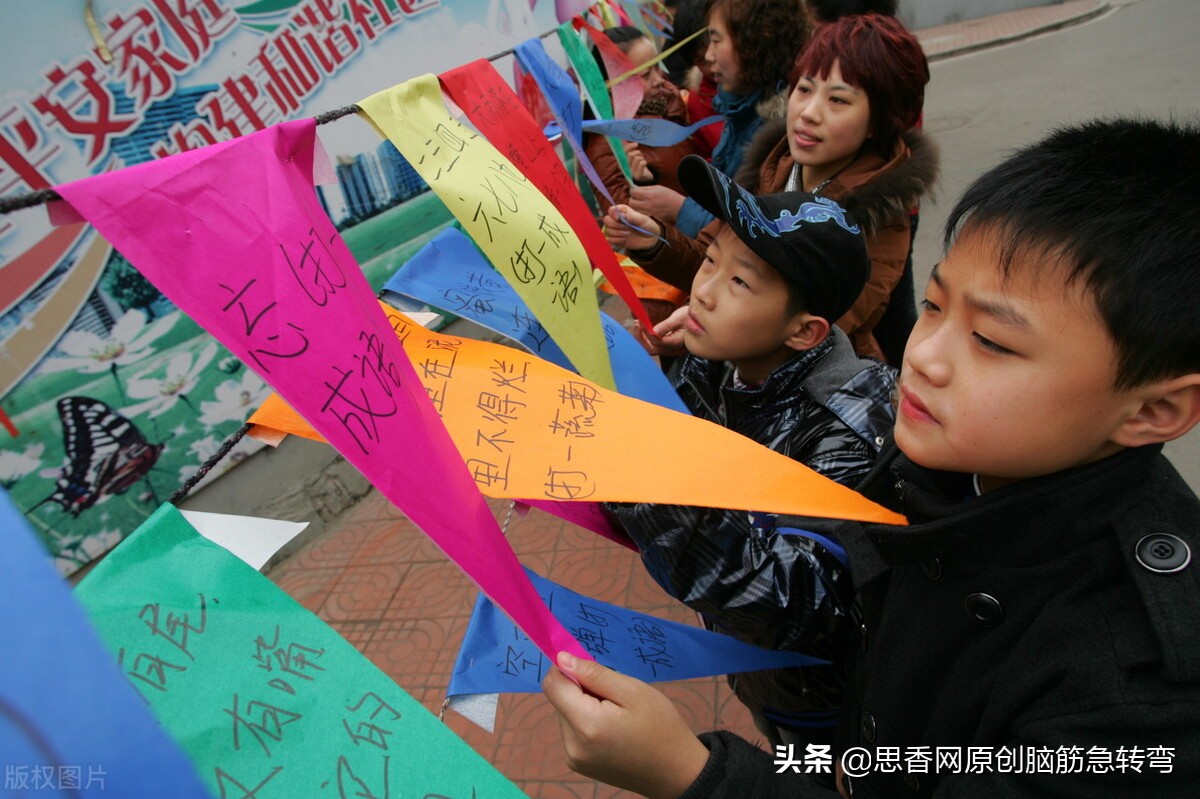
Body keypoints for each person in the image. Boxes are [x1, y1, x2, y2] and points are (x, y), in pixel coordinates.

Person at [544, 117, 1200, 797]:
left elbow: (786, 593)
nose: (924, 355)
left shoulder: (1133, 702)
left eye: (994, 342)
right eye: (936, 305)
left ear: (1154, 410)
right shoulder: (945, 455)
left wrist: (693, 775)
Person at [604, 153, 896, 750]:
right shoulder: (723, 369)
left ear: (804, 331)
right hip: (763, 678)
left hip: (836, 701)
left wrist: (643, 471)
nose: (705, 292)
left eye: (739, 282)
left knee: (817, 772)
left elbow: (791, 599)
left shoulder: (851, 424)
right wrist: (651, 384)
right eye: (710, 261)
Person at [608, 14, 937, 363]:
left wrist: (702, 322)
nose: (808, 112)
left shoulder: (879, 219)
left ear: (878, 120)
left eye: (837, 100)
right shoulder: (772, 167)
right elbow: (715, 258)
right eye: (805, 89)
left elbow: (820, 328)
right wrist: (655, 240)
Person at [628, 0, 811, 239]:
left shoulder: (784, 139)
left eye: (716, 41)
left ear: (754, 40)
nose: (708, 55)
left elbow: (755, 234)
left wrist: (680, 210)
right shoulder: (737, 109)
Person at [583, 26, 700, 216]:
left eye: (657, 66)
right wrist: (641, 185)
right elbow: (625, 222)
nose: (659, 79)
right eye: (645, 75)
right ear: (613, 86)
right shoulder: (607, 145)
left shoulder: (668, 99)